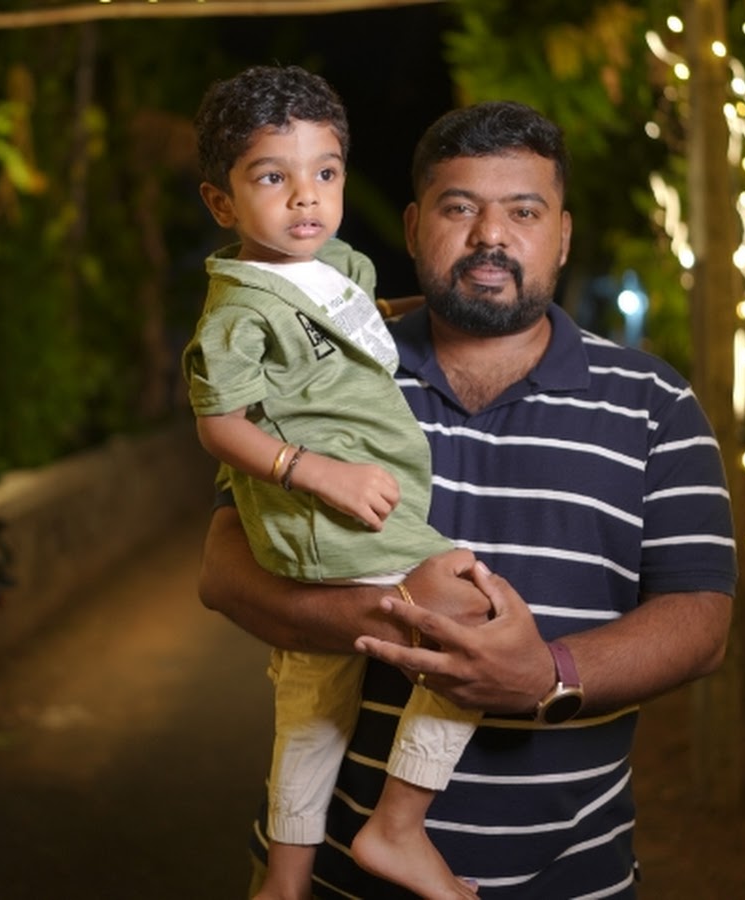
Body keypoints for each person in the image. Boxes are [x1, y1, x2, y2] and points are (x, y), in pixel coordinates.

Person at [197, 99, 737, 899]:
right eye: (460, 209)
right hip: (335, 884)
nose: (491, 236)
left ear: (562, 235)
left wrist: (546, 674)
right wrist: (421, 628)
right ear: (415, 228)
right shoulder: (327, 372)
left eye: (524, 211)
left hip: (571, 877)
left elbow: (700, 621)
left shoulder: (655, 404)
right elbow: (224, 571)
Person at [182, 65, 490, 900]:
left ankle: (284, 883)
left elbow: (358, 322)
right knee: (472, 619)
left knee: (315, 704)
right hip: (330, 515)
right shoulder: (238, 313)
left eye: (325, 172)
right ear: (221, 203)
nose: (305, 197)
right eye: (271, 178)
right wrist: (314, 472)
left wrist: (425, 312)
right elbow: (219, 425)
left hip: (346, 513)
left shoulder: (333, 264)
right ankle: (398, 828)